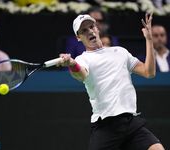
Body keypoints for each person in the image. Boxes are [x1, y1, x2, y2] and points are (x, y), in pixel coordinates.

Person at [56, 14, 165, 150]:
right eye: (84, 30)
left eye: (91, 27)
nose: (89, 31)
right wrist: (72, 64)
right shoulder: (82, 59)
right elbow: (81, 75)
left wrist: (149, 40)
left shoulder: (120, 52)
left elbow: (149, 72)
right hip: (106, 126)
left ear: (97, 28)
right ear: (78, 37)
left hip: (131, 123)